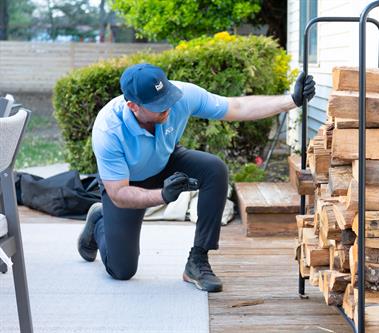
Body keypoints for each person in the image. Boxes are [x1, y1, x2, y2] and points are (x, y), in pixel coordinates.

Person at [77, 63, 315, 292]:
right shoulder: (108, 129)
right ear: (133, 106)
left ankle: (197, 261)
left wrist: (291, 100)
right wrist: (162, 195)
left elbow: (236, 107)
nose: (167, 107)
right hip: (128, 183)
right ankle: (99, 222)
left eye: (167, 97)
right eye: (158, 105)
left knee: (214, 169)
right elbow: (119, 193)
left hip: (165, 161)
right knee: (122, 270)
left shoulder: (180, 96)